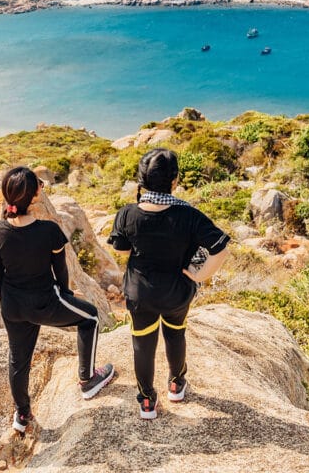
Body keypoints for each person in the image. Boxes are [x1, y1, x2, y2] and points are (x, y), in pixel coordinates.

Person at [0, 167, 115, 433]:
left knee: (18, 360)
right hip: (45, 302)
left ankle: (22, 415)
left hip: (12, 305)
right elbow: (61, 271)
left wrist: (9, 305)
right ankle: (88, 379)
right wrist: (67, 295)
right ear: (34, 196)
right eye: (40, 186)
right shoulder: (48, 230)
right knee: (90, 316)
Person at [107, 148, 230, 419]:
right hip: (177, 292)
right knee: (175, 334)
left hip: (140, 294)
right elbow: (220, 249)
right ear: (174, 181)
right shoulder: (190, 216)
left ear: (142, 181)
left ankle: (147, 401)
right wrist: (199, 275)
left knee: (143, 344)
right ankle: (176, 384)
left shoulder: (127, 214)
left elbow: (122, 250)